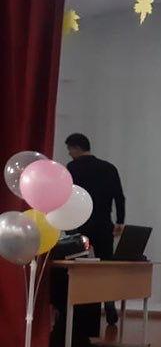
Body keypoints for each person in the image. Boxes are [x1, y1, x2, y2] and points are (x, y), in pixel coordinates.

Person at [64, 133, 125, 325]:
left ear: (76, 148)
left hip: (80, 225)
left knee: (80, 269)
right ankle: (109, 304)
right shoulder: (109, 167)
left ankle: (81, 311)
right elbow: (119, 196)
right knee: (106, 266)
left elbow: (67, 196)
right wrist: (120, 221)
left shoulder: (72, 167)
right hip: (103, 224)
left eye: (69, 149)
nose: (69, 153)